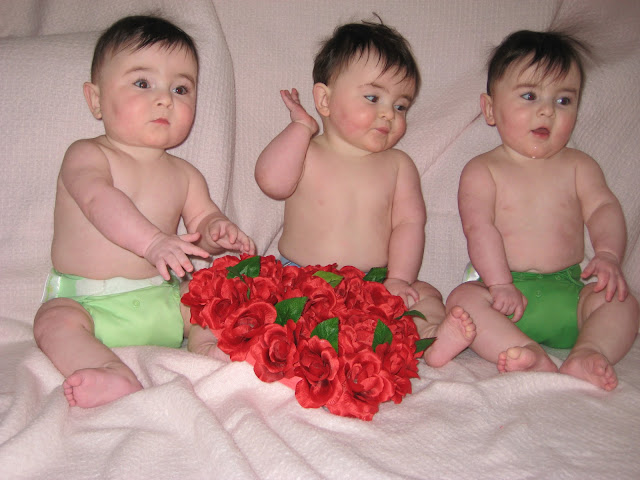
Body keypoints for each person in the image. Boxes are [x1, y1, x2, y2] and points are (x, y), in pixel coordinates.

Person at [33, 15, 256, 408]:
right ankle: (108, 370)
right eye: (142, 83)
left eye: (181, 88)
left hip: (163, 299)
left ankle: (207, 348)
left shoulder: (185, 174)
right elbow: (98, 200)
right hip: (89, 305)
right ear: (96, 99)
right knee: (52, 322)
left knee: (207, 297)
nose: (165, 99)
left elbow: (200, 225)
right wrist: (152, 242)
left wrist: (216, 231)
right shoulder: (87, 155)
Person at [254, 18, 476, 368]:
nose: (388, 114)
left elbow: (409, 224)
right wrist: (300, 128)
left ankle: (433, 336)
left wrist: (399, 279)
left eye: (401, 106)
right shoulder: (307, 151)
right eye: (373, 97)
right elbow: (272, 182)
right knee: (259, 298)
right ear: (324, 99)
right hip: (303, 281)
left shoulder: (398, 165)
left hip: (373, 285)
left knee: (426, 295)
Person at [447, 30, 639, 390]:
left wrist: (609, 255)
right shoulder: (483, 170)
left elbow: (603, 207)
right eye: (530, 95)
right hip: (505, 296)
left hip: (570, 293)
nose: (547, 110)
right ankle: (525, 350)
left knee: (622, 302)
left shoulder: (580, 166)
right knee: (463, 300)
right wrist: (499, 283)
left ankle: (589, 351)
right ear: (490, 109)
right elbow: (479, 228)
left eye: (563, 100)